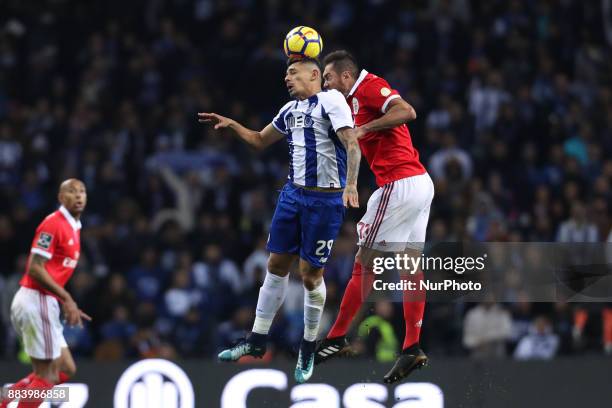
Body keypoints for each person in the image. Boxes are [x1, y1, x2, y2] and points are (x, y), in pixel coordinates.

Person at [198, 57, 360, 383]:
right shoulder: (290, 111)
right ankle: (257, 340)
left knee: (310, 275)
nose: (287, 77)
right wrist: (233, 125)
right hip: (292, 195)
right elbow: (259, 140)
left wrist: (351, 184)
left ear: (315, 74)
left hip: (324, 200)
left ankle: (309, 344)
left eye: (293, 71)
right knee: (275, 264)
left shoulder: (331, 100)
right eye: (286, 72)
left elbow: (352, 142)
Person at [316, 50, 434, 384]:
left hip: (399, 185)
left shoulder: (368, 86)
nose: (326, 83)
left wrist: (364, 129)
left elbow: (406, 111)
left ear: (346, 77)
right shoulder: (346, 105)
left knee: (363, 262)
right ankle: (412, 346)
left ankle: (337, 336)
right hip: (419, 184)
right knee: (411, 267)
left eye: (328, 78)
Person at [2, 179, 91, 408]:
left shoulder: (74, 227)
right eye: (71, 192)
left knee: (66, 368)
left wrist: (63, 298)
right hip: (35, 299)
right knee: (47, 376)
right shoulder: (53, 224)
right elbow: (34, 267)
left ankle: (7, 397)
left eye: (82, 191)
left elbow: (54, 272)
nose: (78, 196)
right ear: (61, 198)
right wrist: (68, 298)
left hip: (44, 301)